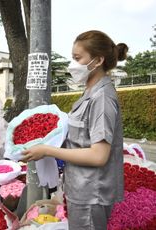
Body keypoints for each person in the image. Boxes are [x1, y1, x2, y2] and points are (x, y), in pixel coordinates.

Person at [21, 30, 128, 229]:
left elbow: (99, 155)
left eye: (78, 58)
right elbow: (81, 139)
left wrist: (47, 150)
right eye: (73, 58)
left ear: (97, 61)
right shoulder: (90, 93)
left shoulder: (102, 98)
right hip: (80, 187)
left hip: (91, 192)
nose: (73, 65)